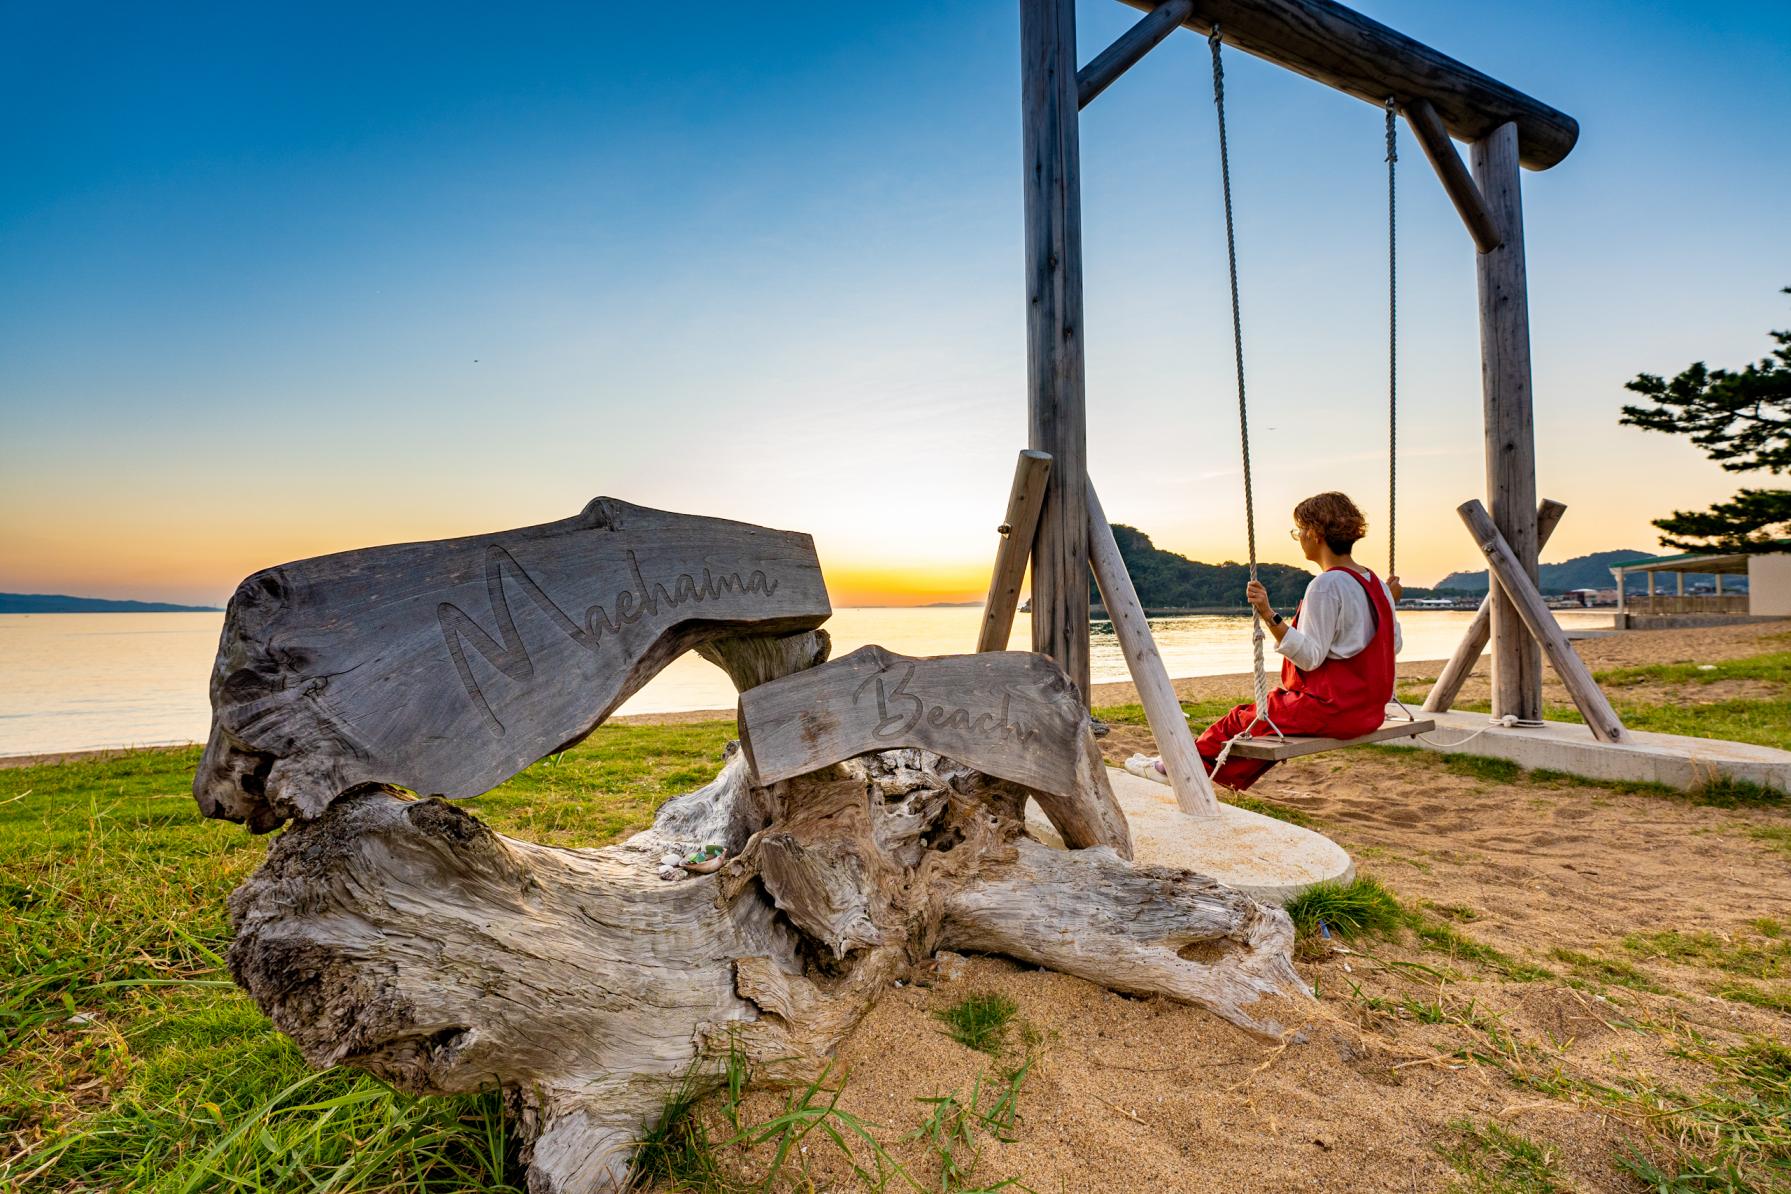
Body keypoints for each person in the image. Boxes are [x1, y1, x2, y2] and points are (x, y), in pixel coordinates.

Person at [1131, 491, 1403, 792]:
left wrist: (1268, 613)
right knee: (1264, 725)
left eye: (1299, 530)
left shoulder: (1327, 585)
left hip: (1334, 709)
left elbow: (1310, 657)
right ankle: (1193, 769)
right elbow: (1395, 645)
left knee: (1240, 719)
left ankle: (1172, 769)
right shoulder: (1377, 584)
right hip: (1369, 712)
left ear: (1315, 533)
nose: (1298, 537)